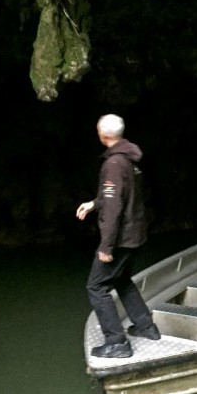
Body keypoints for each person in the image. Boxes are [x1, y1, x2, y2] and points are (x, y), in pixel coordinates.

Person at [76, 114, 161, 358]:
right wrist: (94, 203)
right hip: (135, 233)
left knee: (96, 287)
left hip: (121, 238)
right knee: (121, 278)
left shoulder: (113, 164)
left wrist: (106, 247)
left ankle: (117, 342)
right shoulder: (129, 160)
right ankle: (146, 327)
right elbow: (120, 197)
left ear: (103, 135)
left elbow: (114, 209)